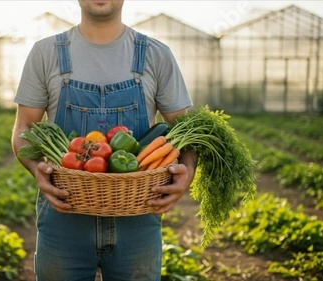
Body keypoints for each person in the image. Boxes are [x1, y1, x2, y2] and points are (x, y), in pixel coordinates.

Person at [12, 1, 197, 280]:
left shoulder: (156, 55)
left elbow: (187, 130)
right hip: (64, 216)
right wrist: (35, 167)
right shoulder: (46, 53)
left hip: (138, 218)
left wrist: (188, 172)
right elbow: (23, 127)